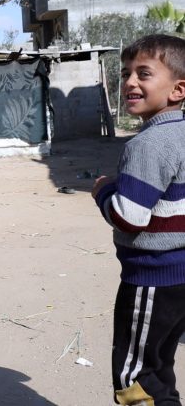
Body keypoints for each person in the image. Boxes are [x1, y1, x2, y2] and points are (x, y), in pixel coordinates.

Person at [92, 34, 185, 406]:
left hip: (152, 277)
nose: (130, 82)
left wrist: (102, 192)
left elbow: (129, 217)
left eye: (144, 74)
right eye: (127, 73)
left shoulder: (147, 144)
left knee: (135, 377)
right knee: (160, 365)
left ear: (178, 89)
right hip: (180, 276)